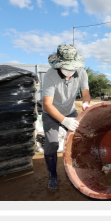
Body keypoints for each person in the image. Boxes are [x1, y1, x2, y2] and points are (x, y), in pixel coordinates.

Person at [42, 44, 91, 190]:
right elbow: (47, 104)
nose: (70, 71)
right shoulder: (50, 75)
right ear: (58, 65)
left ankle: (78, 169)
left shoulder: (82, 73)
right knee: (52, 143)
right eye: (66, 68)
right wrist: (63, 120)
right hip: (51, 113)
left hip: (70, 111)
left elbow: (86, 93)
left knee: (81, 138)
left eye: (72, 68)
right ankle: (52, 174)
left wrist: (86, 104)